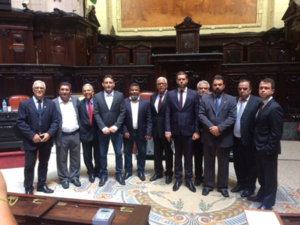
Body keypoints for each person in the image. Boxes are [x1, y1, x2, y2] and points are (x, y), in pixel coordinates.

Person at [17, 80, 59, 194]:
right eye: (37, 88)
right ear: (33, 89)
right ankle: (28, 187)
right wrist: (32, 135)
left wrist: (49, 133)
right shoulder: (24, 104)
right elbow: (20, 122)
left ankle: (41, 185)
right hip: (31, 140)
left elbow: (55, 121)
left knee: (44, 163)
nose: (39, 90)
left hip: (46, 140)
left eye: (41, 88)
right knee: (29, 165)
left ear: (45, 90)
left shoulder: (51, 104)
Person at [247, 78, 283, 210]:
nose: (263, 90)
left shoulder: (275, 108)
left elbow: (277, 133)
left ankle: (268, 203)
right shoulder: (261, 104)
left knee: (270, 177)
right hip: (258, 147)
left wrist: (268, 149)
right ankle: (261, 195)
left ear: (272, 90)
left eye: (266, 88)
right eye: (261, 87)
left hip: (267, 149)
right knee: (261, 175)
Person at [199, 75, 236, 197]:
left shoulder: (231, 99)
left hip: (224, 135)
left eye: (220, 85)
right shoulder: (205, 99)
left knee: (223, 162)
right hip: (208, 135)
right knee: (208, 161)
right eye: (215, 85)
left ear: (224, 85)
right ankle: (208, 185)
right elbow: (201, 115)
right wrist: (212, 128)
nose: (217, 87)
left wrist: (219, 128)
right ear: (212, 86)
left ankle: (222, 186)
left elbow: (232, 117)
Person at [165, 71, 200, 192]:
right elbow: (167, 113)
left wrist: (197, 131)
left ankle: (189, 179)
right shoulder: (170, 94)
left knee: (189, 157)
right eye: (179, 79)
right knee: (177, 156)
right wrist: (167, 130)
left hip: (189, 131)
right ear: (176, 81)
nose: (181, 81)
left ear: (187, 81)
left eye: (183, 79)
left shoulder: (194, 94)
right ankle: (178, 179)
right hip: (175, 131)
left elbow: (197, 114)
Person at [93, 74, 126, 186]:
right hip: (103, 131)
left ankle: (119, 174)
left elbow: (122, 112)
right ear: (103, 84)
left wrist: (115, 126)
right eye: (106, 82)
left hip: (116, 131)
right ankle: (103, 175)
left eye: (110, 82)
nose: (108, 84)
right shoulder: (97, 96)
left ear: (113, 84)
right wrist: (103, 127)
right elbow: (96, 113)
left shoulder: (120, 95)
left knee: (118, 153)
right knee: (102, 154)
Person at [231, 79, 261, 197]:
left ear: (250, 89)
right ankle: (241, 183)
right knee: (238, 163)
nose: (242, 91)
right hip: (235, 139)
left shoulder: (257, 102)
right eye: (240, 89)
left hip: (249, 140)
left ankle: (250, 187)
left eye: (244, 89)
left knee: (251, 165)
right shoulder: (233, 100)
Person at [53, 82, 81, 189]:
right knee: (61, 158)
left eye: (66, 90)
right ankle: (64, 178)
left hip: (75, 134)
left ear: (70, 91)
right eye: (62, 90)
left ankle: (74, 177)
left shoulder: (75, 100)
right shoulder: (54, 103)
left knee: (75, 157)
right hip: (61, 135)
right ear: (59, 91)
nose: (64, 92)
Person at [123, 83, 152, 181]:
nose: (134, 92)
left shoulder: (145, 102)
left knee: (142, 152)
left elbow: (149, 119)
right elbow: (121, 119)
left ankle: (140, 171)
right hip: (128, 133)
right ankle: (128, 171)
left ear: (139, 91)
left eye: (136, 90)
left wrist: (148, 132)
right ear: (129, 91)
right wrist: (124, 130)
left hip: (142, 132)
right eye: (132, 90)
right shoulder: (124, 102)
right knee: (127, 152)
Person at [149, 77, 173, 184]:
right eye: (159, 83)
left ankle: (168, 173)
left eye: (163, 83)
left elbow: (172, 114)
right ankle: (158, 172)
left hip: (167, 129)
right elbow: (152, 114)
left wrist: (170, 129)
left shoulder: (171, 96)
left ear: (167, 85)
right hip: (155, 129)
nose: (161, 85)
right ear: (156, 85)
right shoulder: (153, 96)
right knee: (157, 152)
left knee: (168, 152)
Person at [78, 84, 100, 183]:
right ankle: (90, 172)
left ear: (92, 91)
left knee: (98, 154)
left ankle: (98, 170)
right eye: (84, 91)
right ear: (83, 92)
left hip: (98, 132)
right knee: (87, 155)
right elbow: (78, 118)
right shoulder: (79, 104)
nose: (87, 92)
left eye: (88, 90)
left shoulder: (98, 102)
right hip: (85, 133)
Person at [193, 80, 210, 186]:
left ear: (208, 90)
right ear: (197, 90)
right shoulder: (194, 100)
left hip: (209, 133)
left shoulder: (212, 100)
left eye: (205, 88)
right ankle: (198, 177)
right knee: (198, 157)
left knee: (209, 157)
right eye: (201, 88)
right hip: (196, 133)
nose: (203, 90)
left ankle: (208, 177)